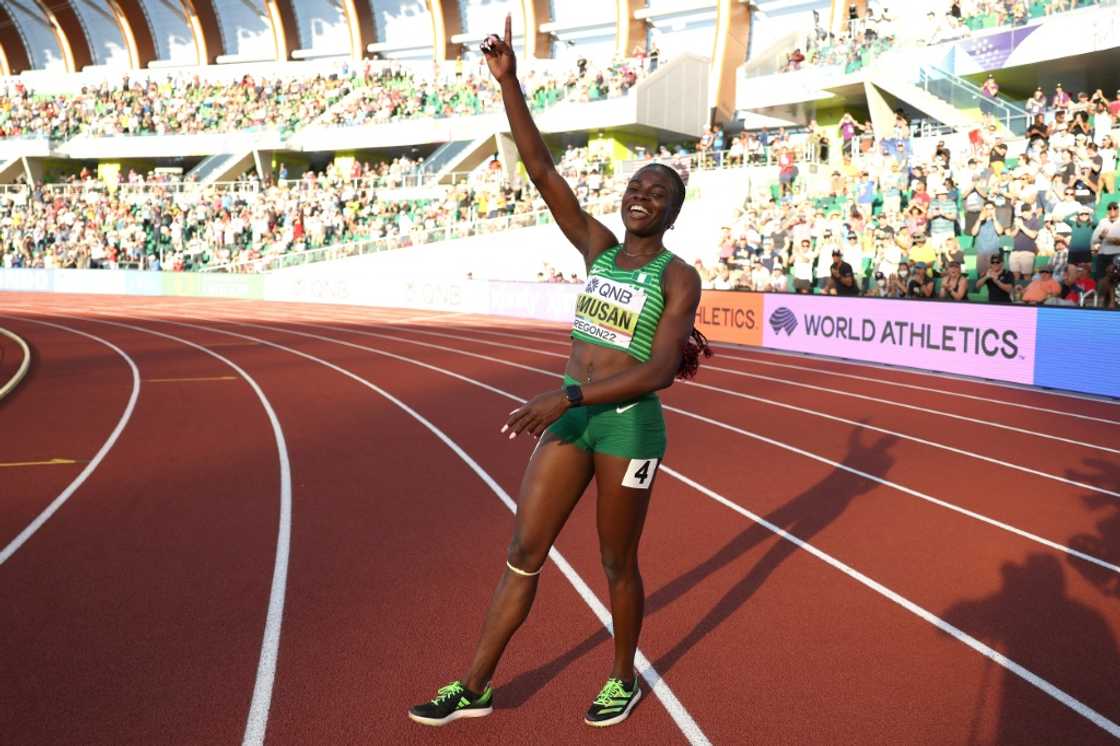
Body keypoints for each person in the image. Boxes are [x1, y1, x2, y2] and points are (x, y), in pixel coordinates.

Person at [408, 16, 710, 729]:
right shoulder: (597, 248)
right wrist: (510, 83)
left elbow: (661, 369)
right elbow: (543, 170)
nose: (642, 195)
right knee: (522, 551)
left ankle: (621, 676)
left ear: (670, 212)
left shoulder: (678, 276)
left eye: (657, 193)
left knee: (616, 564)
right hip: (572, 418)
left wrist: (569, 393)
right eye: (637, 186)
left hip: (627, 429)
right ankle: (476, 684)